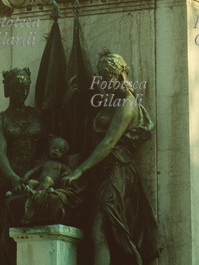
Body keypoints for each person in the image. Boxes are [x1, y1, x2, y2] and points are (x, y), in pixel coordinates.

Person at [63, 53, 158, 265]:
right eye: (101, 77)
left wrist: (80, 170)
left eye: (106, 77)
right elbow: (86, 130)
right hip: (101, 171)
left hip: (117, 172)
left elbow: (108, 142)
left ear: (120, 75)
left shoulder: (127, 104)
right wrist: (69, 101)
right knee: (99, 230)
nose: (102, 82)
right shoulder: (109, 103)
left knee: (99, 229)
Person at [0, 67, 45, 265]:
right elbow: (1, 153)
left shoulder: (37, 116)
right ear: (8, 90)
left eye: (26, 87)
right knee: (6, 238)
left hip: (32, 179)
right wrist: (13, 178)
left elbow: (47, 148)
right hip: (6, 181)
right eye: (18, 87)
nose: (23, 91)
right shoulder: (0, 121)